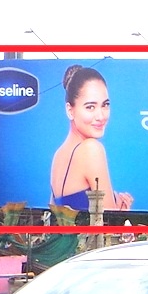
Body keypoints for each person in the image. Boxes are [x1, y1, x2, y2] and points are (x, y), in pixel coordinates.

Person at [50, 65, 133, 212]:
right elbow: (106, 225)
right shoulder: (91, 149)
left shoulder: (59, 156)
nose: (101, 116)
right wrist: (122, 214)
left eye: (105, 105)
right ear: (70, 110)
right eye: (90, 107)